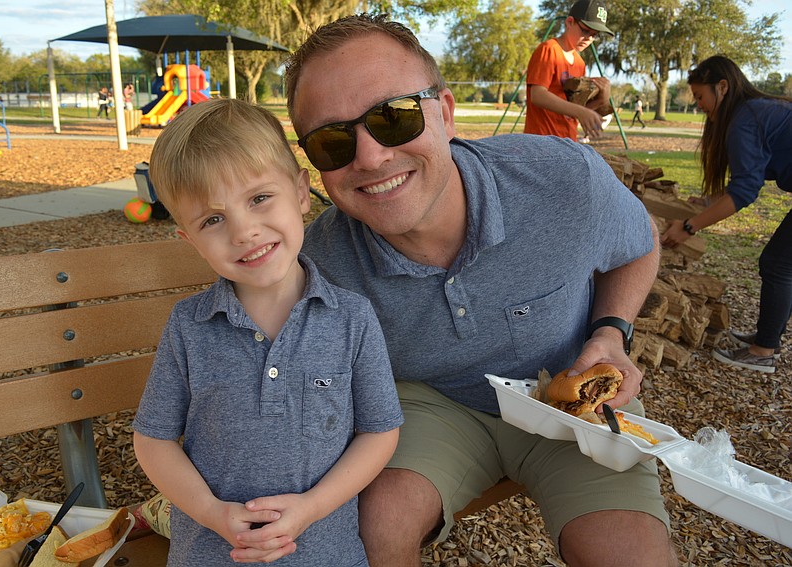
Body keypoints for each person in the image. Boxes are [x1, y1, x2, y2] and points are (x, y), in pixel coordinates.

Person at [285, 13, 677, 567]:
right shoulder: (318, 263)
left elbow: (639, 246)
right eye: (332, 141)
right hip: (432, 403)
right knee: (378, 525)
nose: (371, 158)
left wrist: (611, 334)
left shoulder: (563, 181)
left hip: (568, 397)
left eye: (393, 118)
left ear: (444, 113)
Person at [132, 98, 403, 566]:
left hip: (326, 554)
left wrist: (313, 507)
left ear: (301, 193)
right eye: (212, 220)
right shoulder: (189, 326)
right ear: (190, 240)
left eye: (259, 198)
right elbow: (153, 440)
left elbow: (380, 432)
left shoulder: (352, 319)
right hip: (212, 555)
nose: (245, 231)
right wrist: (212, 513)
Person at [661, 55, 792, 374]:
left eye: (699, 96)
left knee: (778, 264)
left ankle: (763, 351)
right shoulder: (756, 111)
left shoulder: (745, 118)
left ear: (722, 87)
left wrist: (689, 226)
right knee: (781, 263)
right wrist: (708, 201)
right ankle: (767, 337)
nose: (698, 104)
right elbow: (750, 178)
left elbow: (745, 191)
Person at [524, 0, 613, 142]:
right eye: (585, 30)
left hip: (567, 141)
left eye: (594, 35)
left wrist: (602, 100)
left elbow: (573, 110)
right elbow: (538, 95)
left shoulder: (580, 63)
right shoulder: (549, 50)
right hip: (541, 142)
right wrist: (581, 111)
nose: (589, 38)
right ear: (569, 22)